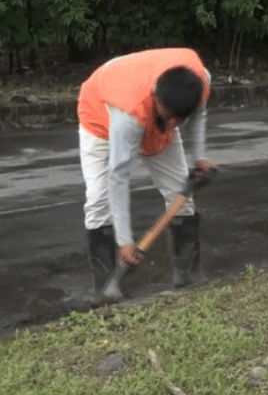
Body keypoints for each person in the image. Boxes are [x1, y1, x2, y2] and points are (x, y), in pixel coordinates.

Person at [77, 47, 216, 291]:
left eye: (179, 119)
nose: (174, 124)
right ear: (156, 97)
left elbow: (199, 117)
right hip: (99, 115)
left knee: (181, 196)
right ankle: (106, 288)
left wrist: (199, 157)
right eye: (170, 116)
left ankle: (188, 276)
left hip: (147, 112)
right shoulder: (128, 112)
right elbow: (118, 175)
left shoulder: (200, 82)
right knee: (99, 200)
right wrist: (125, 242)